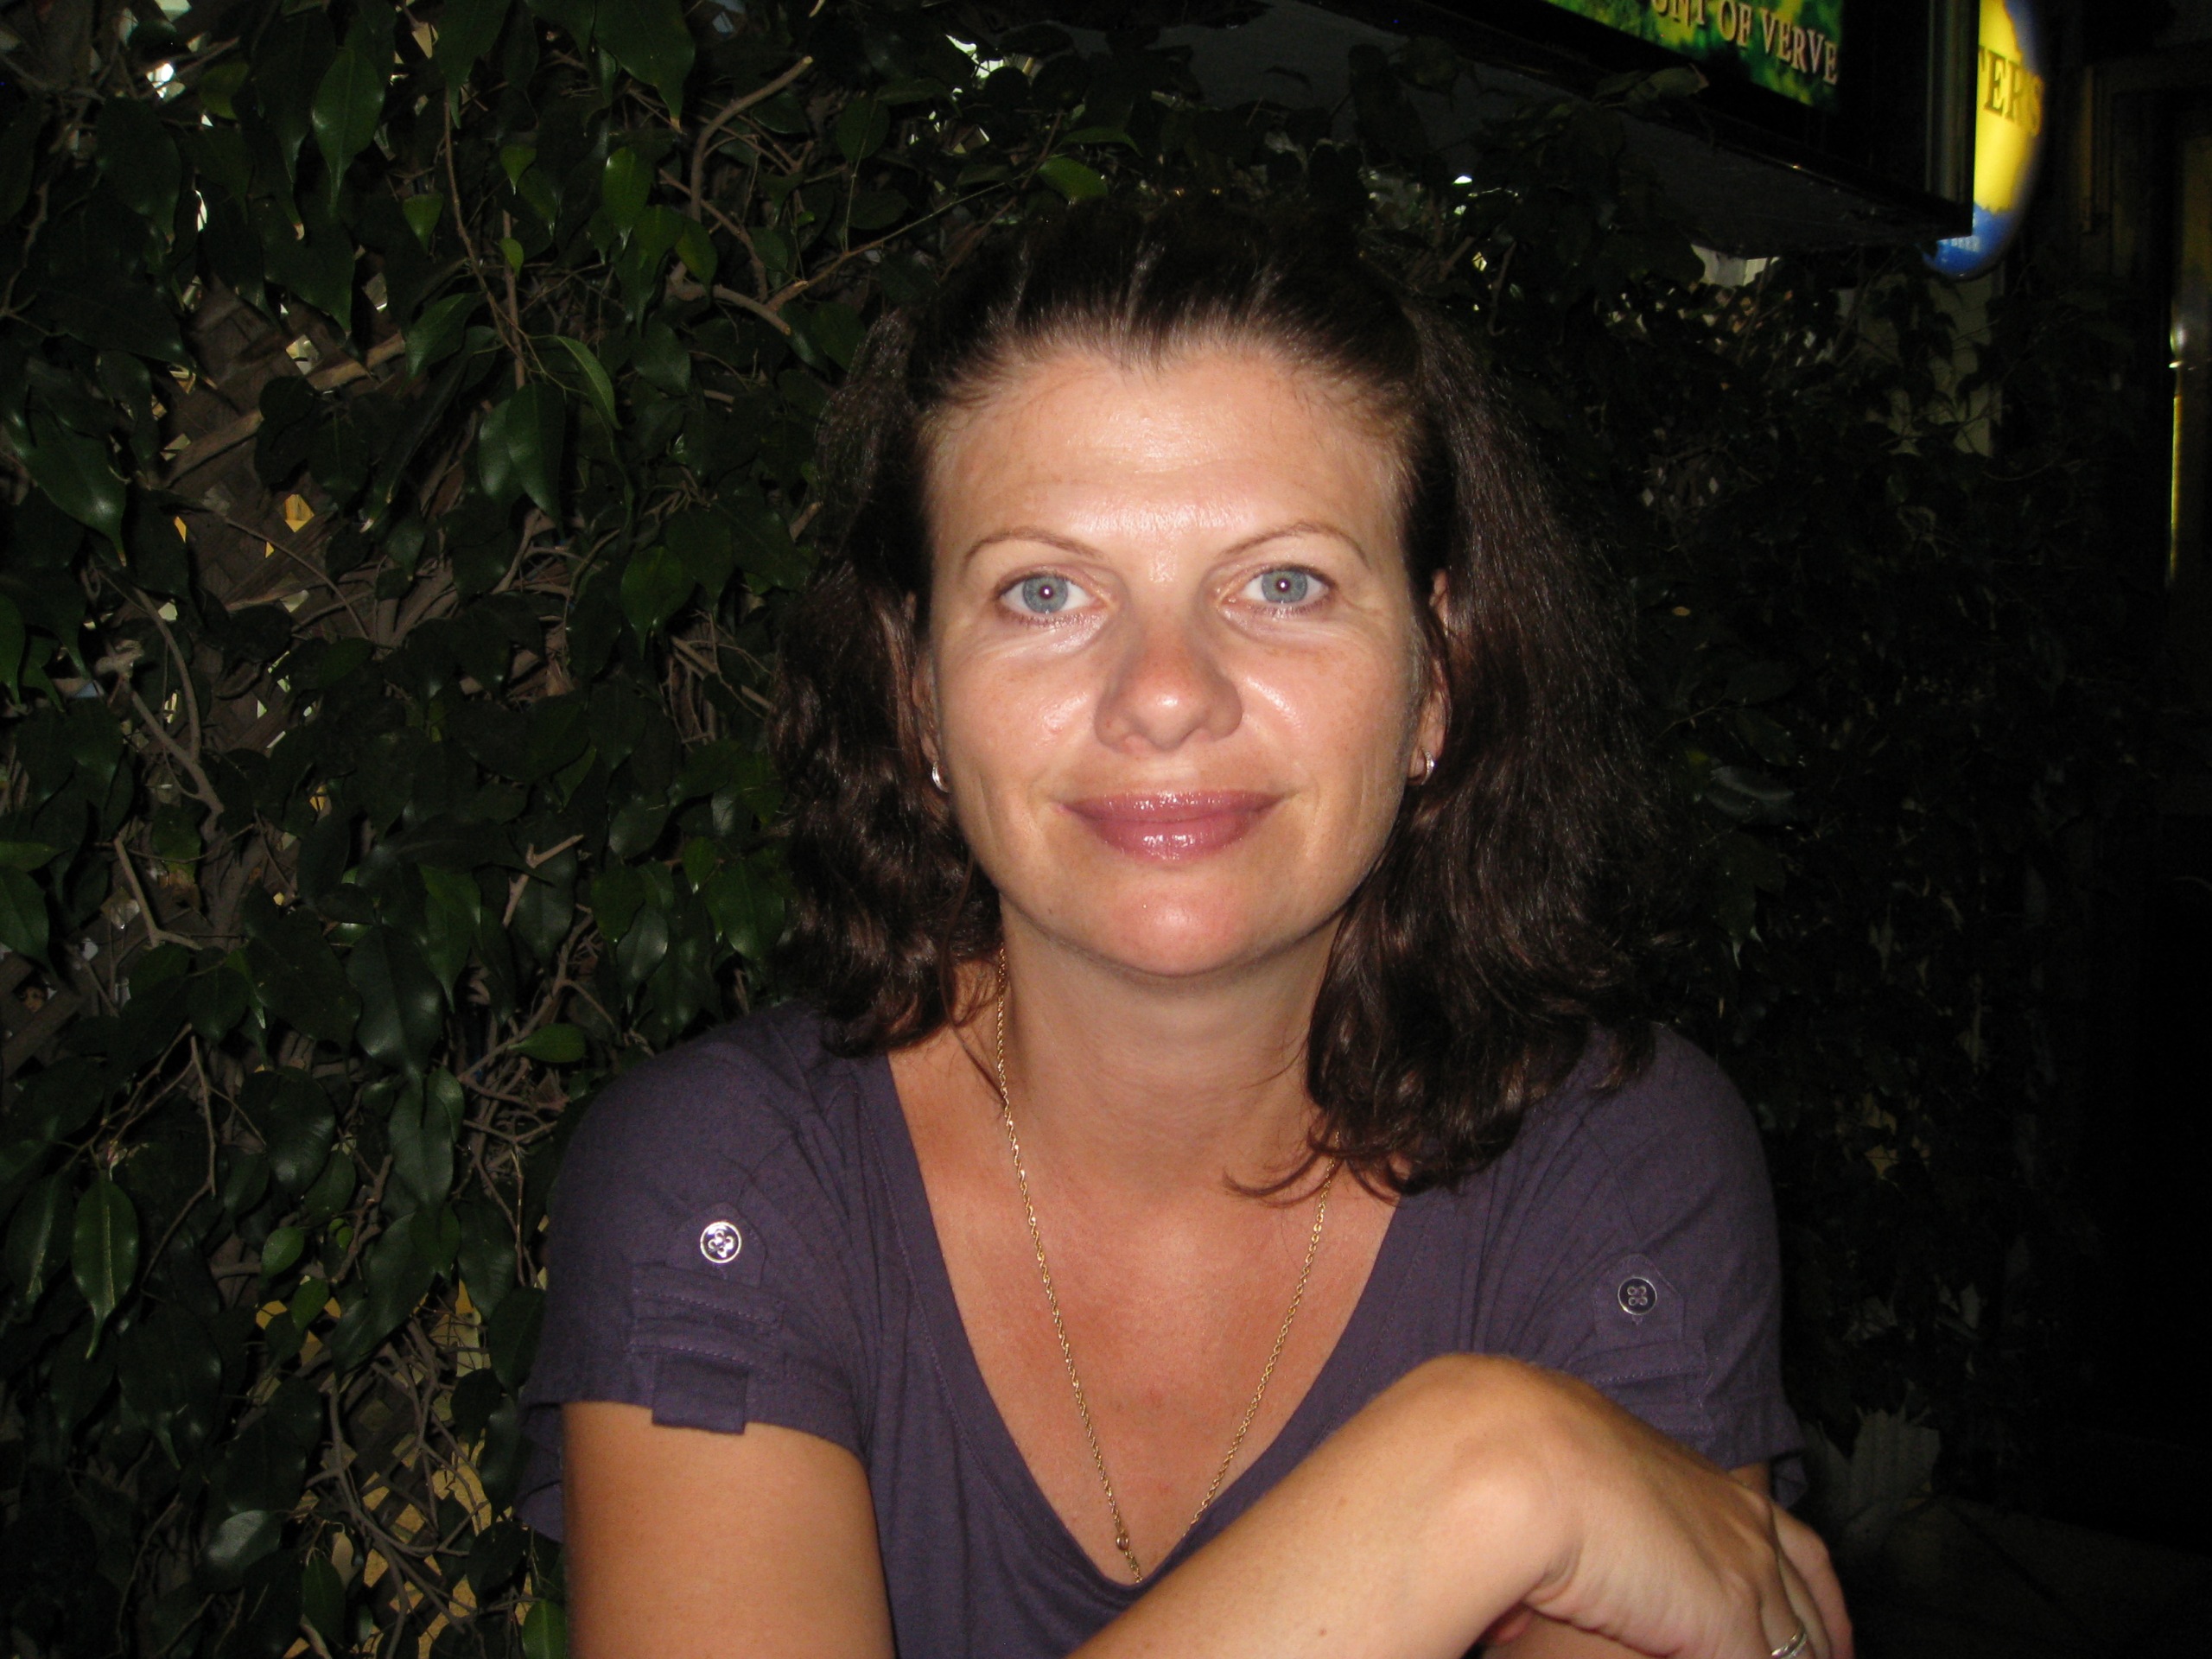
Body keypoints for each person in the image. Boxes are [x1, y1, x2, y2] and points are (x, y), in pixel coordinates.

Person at [515, 199, 1848, 1659]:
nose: (1164, 692)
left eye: (1284, 584)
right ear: (918, 698)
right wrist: (1481, 1470)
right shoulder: (731, 1189)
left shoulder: (1612, 1164)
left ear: (1436, 680)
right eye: (1044, 591)